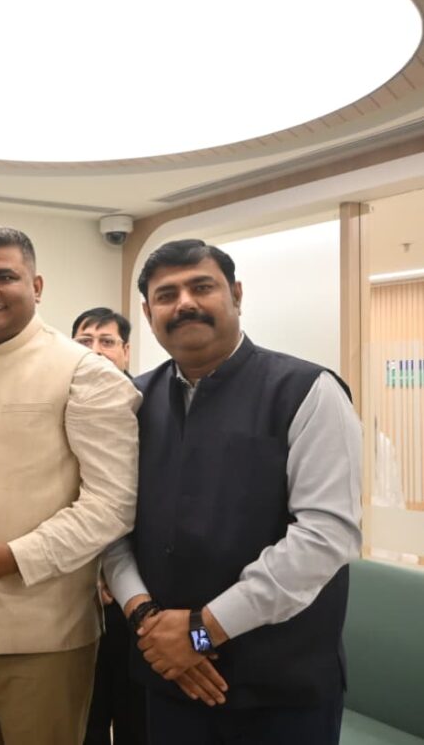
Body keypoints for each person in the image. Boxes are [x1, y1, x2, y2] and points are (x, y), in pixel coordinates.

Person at [103, 239, 361, 744]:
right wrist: (148, 620)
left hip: (281, 688)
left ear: (236, 294)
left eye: (201, 287)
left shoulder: (307, 391)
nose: (184, 303)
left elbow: (326, 536)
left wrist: (202, 631)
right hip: (167, 675)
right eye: (166, 295)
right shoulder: (131, 401)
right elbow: (111, 524)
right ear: (148, 313)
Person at [0, 227, 141, 745]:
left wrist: (16, 556)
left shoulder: (86, 374)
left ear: (36, 286)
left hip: (42, 632)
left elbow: (111, 505)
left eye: (5, 277)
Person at [71, 307, 147, 745]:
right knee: (87, 715)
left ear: (125, 351)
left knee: (137, 714)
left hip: (139, 592)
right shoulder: (62, 404)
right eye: (85, 342)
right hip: (77, 589)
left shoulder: (147, 406)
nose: (96, 351)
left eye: (107, 341)